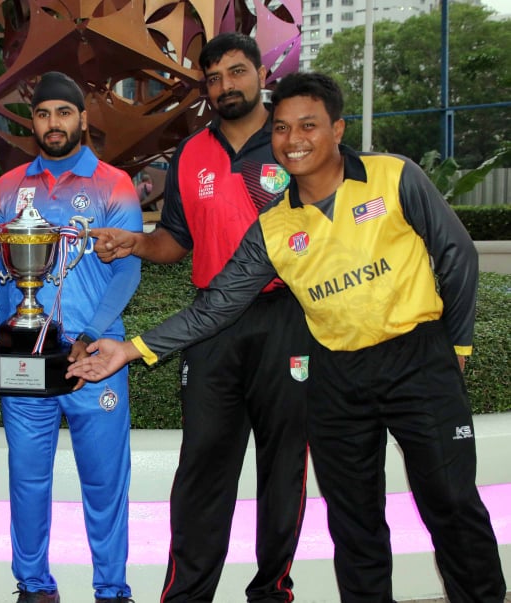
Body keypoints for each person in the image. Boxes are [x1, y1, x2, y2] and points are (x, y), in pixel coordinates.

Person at [69, 72, 507, 602]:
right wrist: (132, 349)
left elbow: (457, 255)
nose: (293, 139)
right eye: (281, 128)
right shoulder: (273, 226)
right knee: (355, 524)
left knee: (452, 506)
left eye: (308, 125)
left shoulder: (395, 176)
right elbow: (217, 305)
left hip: (417, 360)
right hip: (338, 378)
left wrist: (456, 347)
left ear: (337, 129)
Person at [91, 33, 310, 603]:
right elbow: (175, 240)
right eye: (213, 78)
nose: (225, 86)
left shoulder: (291, 141)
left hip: (288, 318)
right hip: (212, 323)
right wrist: (136, 243)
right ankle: (186, 595)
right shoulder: (191, 153)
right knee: (202, 471)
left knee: (283, 467)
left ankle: (272, 593)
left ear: (261, 74)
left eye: (236, 72)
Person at [0, 71, 142, 603]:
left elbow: (128, 268)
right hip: (25, 353)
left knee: (105, 482)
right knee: (28, 479)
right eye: (43, 114)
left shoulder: (114, 183)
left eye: (63, 113)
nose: (53, 123)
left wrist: (91, 333)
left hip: (95, 355)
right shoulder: (8, 186)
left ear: (82, 118)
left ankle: (112, 590)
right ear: (33, 122)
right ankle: (35, 587)